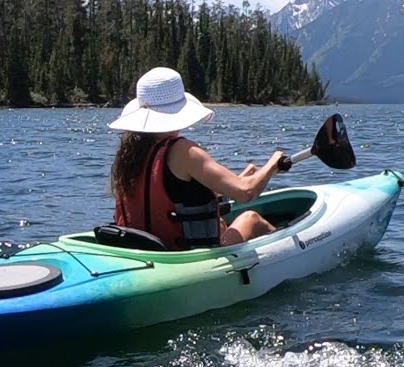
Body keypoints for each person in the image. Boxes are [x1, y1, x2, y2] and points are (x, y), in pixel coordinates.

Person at [108, 66, 285, 249]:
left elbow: (181, 194)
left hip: (144, 251)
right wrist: (273, 163)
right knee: (251, 219)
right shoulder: (183, 151)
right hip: (187, 257)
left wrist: (243, 177)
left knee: (225, 221)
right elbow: (246, 193)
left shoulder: (128, 155)